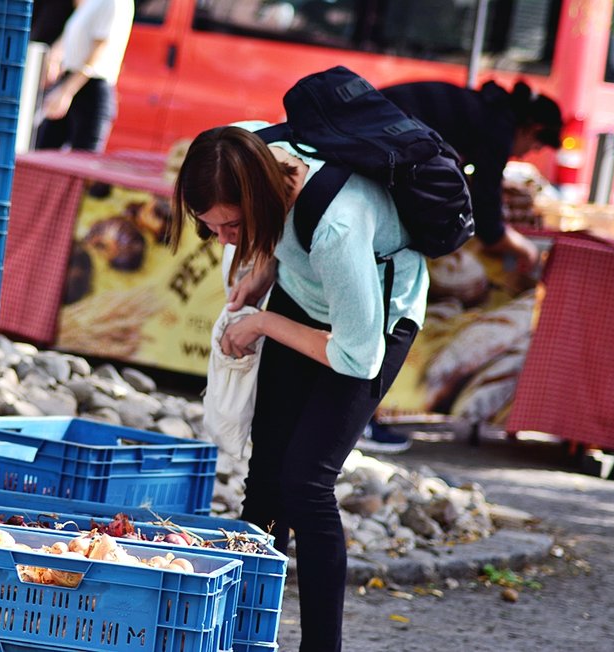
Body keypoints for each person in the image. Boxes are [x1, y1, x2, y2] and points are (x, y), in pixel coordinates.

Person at [170, 123, 428, 651]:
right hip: (304, 296)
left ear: (260, 197)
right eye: (210, 228)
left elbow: (357, 356)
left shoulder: (336, 227)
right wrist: (262, 269)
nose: (223, 241)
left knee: (306, 483)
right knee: (266, 476)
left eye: (233, 226)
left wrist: (262, 323)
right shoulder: (246, 146)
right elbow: (276, 229)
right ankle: (242, 634)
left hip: (374, 324)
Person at [355, 78, 565, 453]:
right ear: (531, 129)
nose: (523, 155)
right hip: (369, 188)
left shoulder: (484, 111)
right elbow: (486, 222)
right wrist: (524, 251)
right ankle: (359, 422)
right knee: (378, 317)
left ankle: (358, 420)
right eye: (532, 147)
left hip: (368, 178)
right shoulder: (495, 127)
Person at [35, 0, 134, 152]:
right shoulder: (90, 3)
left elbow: (99, 51)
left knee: (83, 163)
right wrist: (54, 59)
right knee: (43, 153)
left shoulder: (115, 2)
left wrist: (66, 91)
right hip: (70, 80)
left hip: (90, 90)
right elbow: (71, 34)